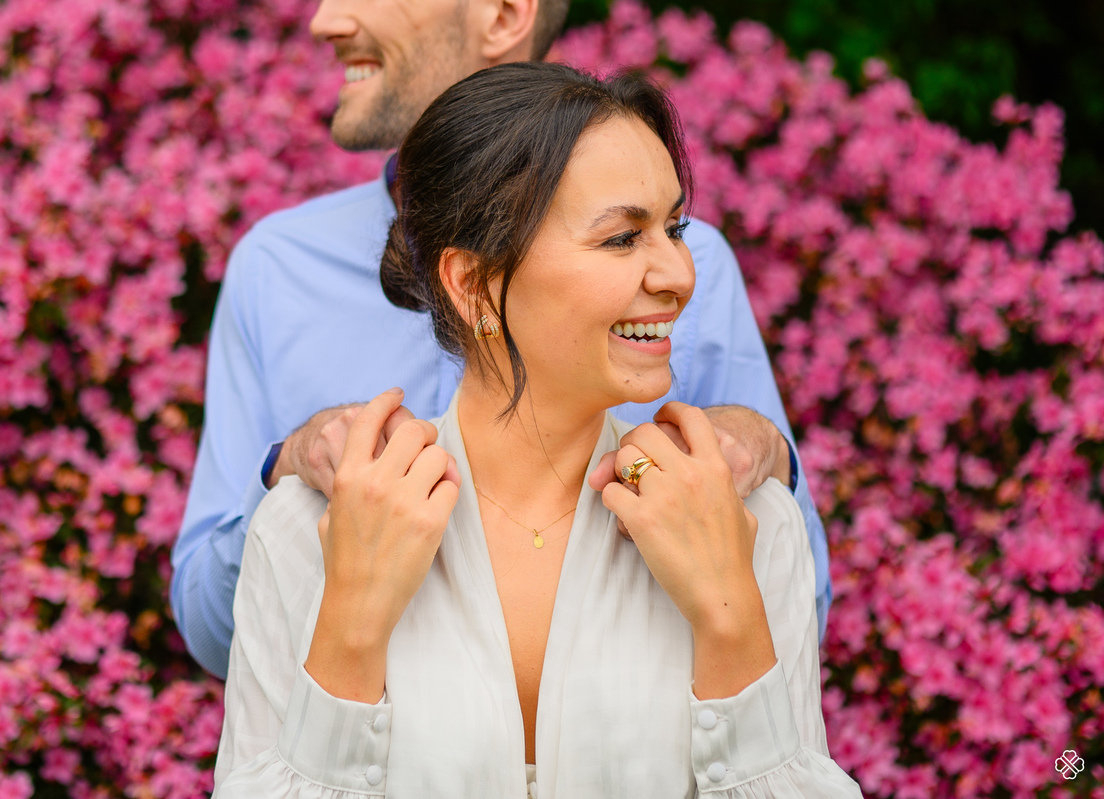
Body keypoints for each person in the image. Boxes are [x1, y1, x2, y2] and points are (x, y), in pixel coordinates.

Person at [212, 62, 861, 798]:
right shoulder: (308, 531)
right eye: (623, 238)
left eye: (673, 228)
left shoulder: (743, 521)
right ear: (476, 283)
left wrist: (730, 620)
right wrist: (351, 633)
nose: (679, 271)